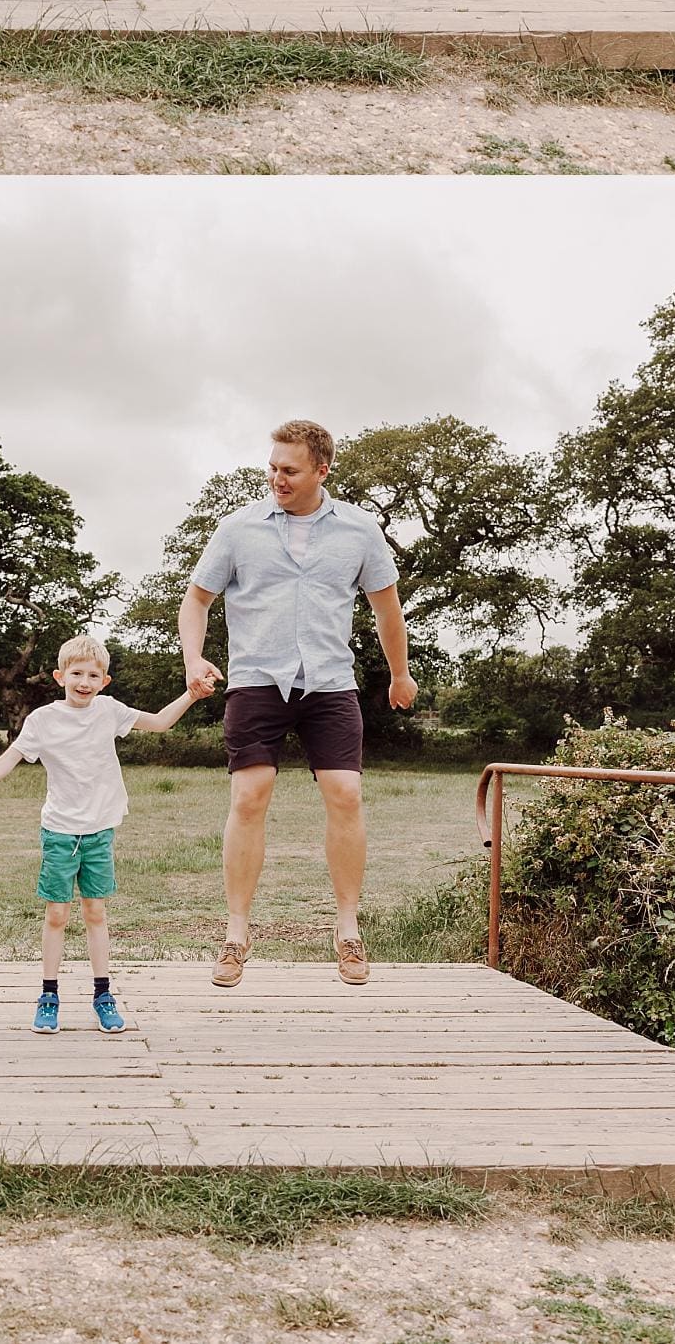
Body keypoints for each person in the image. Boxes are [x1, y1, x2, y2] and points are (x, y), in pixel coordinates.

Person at [176, 419, 416, 989]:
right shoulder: (238, 528)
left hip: (330, 682)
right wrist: (192, 659)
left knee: (346, 794)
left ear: (321, 470)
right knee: (250, 796)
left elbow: (387, 611)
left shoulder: (360, 530)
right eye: (273, 467)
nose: (277, 478)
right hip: (257, 679)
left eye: (290, 470)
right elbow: (197, 598)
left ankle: (348, 927)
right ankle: (236, 934)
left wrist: (400, 675)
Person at [0, 632, 209, 1033]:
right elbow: (7, 760)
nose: (84, 682)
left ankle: (103, 995)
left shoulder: (109, 711)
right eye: (77, 673)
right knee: (56, 914)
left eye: (93, 675)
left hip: (99, 830)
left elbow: (159, 722)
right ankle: (48, 995)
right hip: (60, 832)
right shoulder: (42, 720)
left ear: (105, 682)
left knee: (95, 912)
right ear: (59, 676)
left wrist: (191, 694)